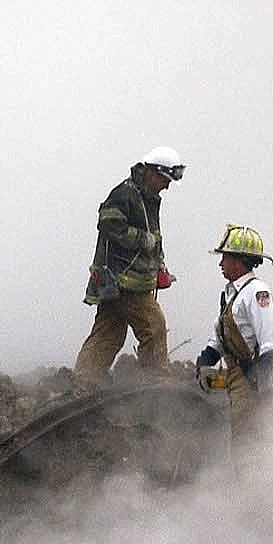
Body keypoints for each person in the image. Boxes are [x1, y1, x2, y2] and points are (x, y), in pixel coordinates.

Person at [74, 146, 183, 385]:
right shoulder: (125, 194)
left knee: (109, 333)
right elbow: (109, 223)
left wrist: (159, 265)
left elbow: (153, 236)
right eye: (165, 180)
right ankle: (156, 385)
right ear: (152, 173)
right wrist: (144, 241)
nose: (166, 186)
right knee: (154, 326)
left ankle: (82, 381)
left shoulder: (146, 197)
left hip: (122, 280)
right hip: (124, 281)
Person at [195, 225, 273, 460]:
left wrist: (259, 382)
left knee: (248, 444)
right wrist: (206, 360)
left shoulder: (257, 292)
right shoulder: (233, 294)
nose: (220, 263)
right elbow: (221, 337)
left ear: (239, 261)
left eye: (225, 257)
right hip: (238, 377)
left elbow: (270, 341)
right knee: (242, 439)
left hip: (251, 378)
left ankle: (252, 494)